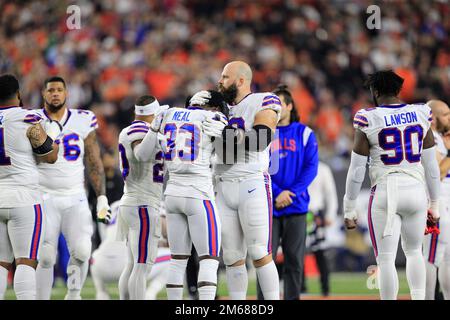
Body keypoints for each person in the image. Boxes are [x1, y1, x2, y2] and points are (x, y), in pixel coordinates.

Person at [343, 70, 441, 300]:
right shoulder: (420, 112)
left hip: (386, 190)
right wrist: (434, 203)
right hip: (416, 190)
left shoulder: (369, 117)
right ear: (398, 90)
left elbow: (357, 169)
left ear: (375, 91)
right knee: (415, 252)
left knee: (385, 259)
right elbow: (431, 166)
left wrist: (349, 207)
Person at [35, 76, 112, 300]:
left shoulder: (83, 119)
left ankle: (74, 295)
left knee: (82, 250)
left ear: (67, 93)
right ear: (44, 94)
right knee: (46, 255)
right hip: (43, 195)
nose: (55, 94)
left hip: (75, 196)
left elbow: (93, 159)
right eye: (51, 90)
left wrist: (101, 197)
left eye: (60, 90)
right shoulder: (33, 119)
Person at [150, 90, 228, 300]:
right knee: (209, 259)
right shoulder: (212, 117)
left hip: (173, 192)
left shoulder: (169, 113)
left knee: (177, 260)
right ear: (212, 107)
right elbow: (230, 155)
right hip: (199, 193)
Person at [214, 61, 281, 300]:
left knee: (259, 252)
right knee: (232, 257)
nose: (220, 81)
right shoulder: (216, 107)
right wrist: (194, 107)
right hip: (222, 185)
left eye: (225, 76)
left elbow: (261, 138)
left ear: (241, 80)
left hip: (251, 182)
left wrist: (232, 135)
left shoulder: (263, 100)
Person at [256, 84, 319, 300]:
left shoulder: (305, 132)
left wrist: (289, 193)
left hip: (296, 206)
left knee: (294, 261)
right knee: (265, 260)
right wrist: (277, 193)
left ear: (290, 106)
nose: (275, 109)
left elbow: (311, 168)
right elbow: (258, 167)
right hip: (269, 208)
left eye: (279, 104)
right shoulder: (262, 133)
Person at [0, 74, 59, 300]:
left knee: (1, 262)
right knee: (25, 260)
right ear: (17, 93)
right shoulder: (28, 118)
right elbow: (49, 156)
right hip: (24, 197)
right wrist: (54, 142)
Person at [116, 95, 167, 300]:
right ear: (153, 114)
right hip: (143, 204)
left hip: (132, 200)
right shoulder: (142, 130)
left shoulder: (130, 129)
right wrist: (154, 130)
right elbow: (141, 154)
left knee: (132, 263)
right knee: (142, 264)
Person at [91, 201, 170, 300]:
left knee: (95, 255)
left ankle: (101, 292)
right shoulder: (153, 201)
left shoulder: (114, 205)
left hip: (99, 266)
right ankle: (150, 293)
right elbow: (166, 234)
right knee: (173, 257)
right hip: (126, 265)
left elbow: (104, 235)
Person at [422, 100, 450, 300]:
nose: (449, 118)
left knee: (447, 258)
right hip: (435, 203)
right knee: (430, 257)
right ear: (433, 117)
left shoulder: (441, 138)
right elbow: (437, 173)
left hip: (444, 202)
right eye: (446, 114)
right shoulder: (430, 137)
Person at [304, 160, 338, 297]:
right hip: (298, 212)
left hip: (315, 213)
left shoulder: (323, 168)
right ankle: (301, 288)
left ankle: (326, 289)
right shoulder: (298, 163)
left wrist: (331, 214)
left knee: (321, 252)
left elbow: (330, 193)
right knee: (296, 252)